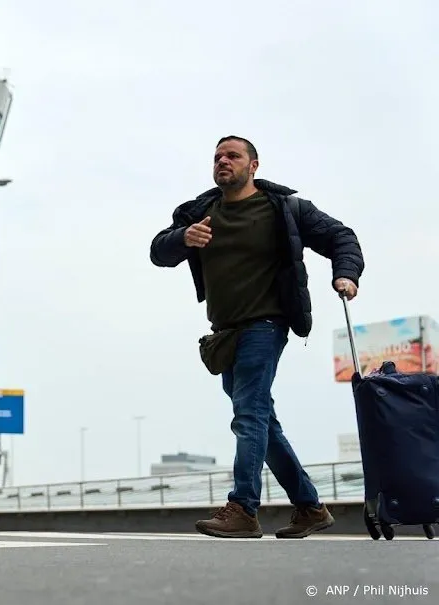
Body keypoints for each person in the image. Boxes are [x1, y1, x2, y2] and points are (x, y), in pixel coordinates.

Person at [149, 135, 364, 539]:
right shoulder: (200, 212)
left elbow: (341, 237)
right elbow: (158, 251)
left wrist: (346, 273)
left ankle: (243, 508)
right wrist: (183, 239)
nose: (222, 162)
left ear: (254, 166)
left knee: (248, 412)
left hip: (266, 324)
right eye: (217, 157)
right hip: (225, 332)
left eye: (232, 155)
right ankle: (310, 507)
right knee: (262, 420)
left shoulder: (282, 208)